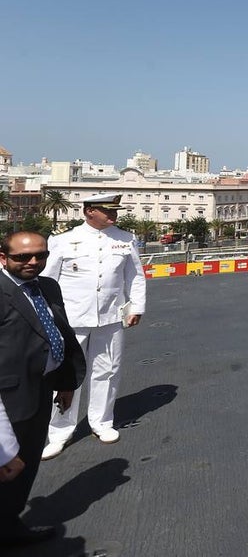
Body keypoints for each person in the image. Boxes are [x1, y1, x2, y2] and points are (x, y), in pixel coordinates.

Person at [42, 193, 146, 459]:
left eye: (115, 211)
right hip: (71, 319)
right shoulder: (63, 241)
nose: (114, 215)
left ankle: (102, 422)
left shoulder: (125, 239)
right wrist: (47, 317)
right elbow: (48, 281)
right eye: (107, 211)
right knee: (66, 375)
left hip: (110, 317)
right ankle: (59, 431)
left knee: (108, 370)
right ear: (89, 211)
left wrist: (136, 307)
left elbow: (135, 276)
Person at [0, 231, 85, 547]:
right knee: (8, 467)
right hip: (7, 403)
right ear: (3, 257)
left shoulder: (48, 287)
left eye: (40, 255)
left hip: (40, 393)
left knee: (25, 468)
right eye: (22, 257)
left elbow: (57, 335)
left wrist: (64, 383)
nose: (33, 262)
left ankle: (9, 524)